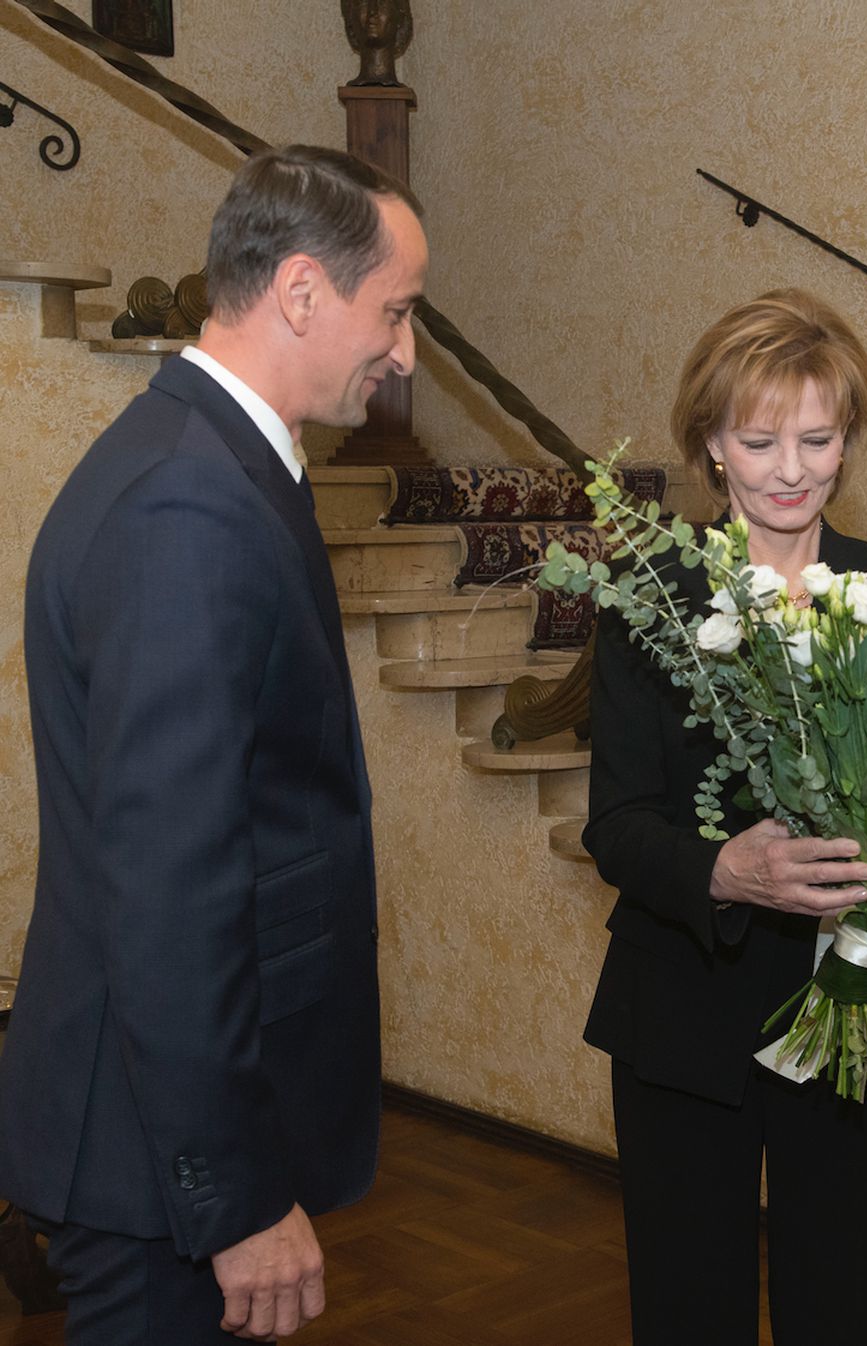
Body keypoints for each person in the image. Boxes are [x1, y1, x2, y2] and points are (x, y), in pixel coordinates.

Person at [0, 145, 427, 1344]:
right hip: (155, 1169)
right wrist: (232, 1195)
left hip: (159, 1142)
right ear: (301, 291)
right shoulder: (188, 504)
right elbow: (172, 889)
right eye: (393, 311)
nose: (405, 352)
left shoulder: (212, 463)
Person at [583, 288, 867, 1346]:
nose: (792, 468)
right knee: (687, 1309)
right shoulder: (646, 594)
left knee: (838, 1310)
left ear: (850, 440)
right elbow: (618, 821)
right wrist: (726, 868)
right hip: (685, 1016)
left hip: (856, 1015)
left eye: (819, 437)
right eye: (759, 439)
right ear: (710, 442)